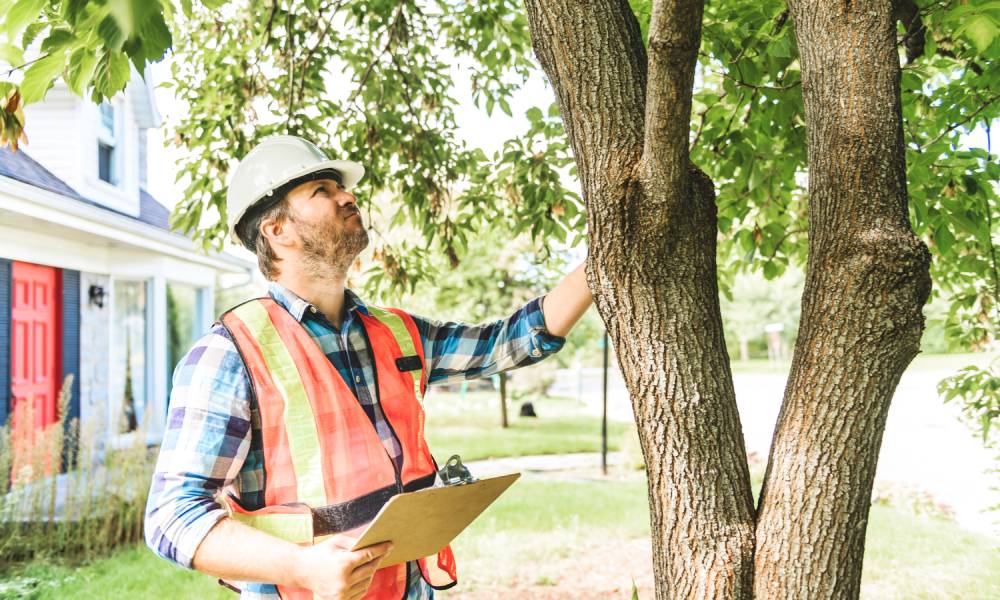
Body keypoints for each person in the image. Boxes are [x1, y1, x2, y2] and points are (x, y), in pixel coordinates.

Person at [144, 135, 593, 600]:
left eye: (341, 188)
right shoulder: (231, 353)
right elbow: (172, 517)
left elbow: (508, 343)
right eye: (322, 190)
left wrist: (601, 261)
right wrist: (301, 566)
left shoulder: (396, 334)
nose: (349, 196)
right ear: (277, 231)